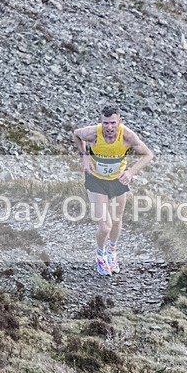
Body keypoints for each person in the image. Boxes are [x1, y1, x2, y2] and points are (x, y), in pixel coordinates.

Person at [73, 105, 154, 275]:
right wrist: (84, 157)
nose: (109, 127)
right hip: (96, 181)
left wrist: (131, 172)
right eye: (105, 123)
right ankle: (100, 255)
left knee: (117, 221)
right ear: (100, 122)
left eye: (113, 123)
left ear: (119, 122)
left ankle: (112, 252)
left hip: (118, 181)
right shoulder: (93, 133)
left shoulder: (127, 136)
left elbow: (148, 155)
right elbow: (76, 134)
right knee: (105, 227)